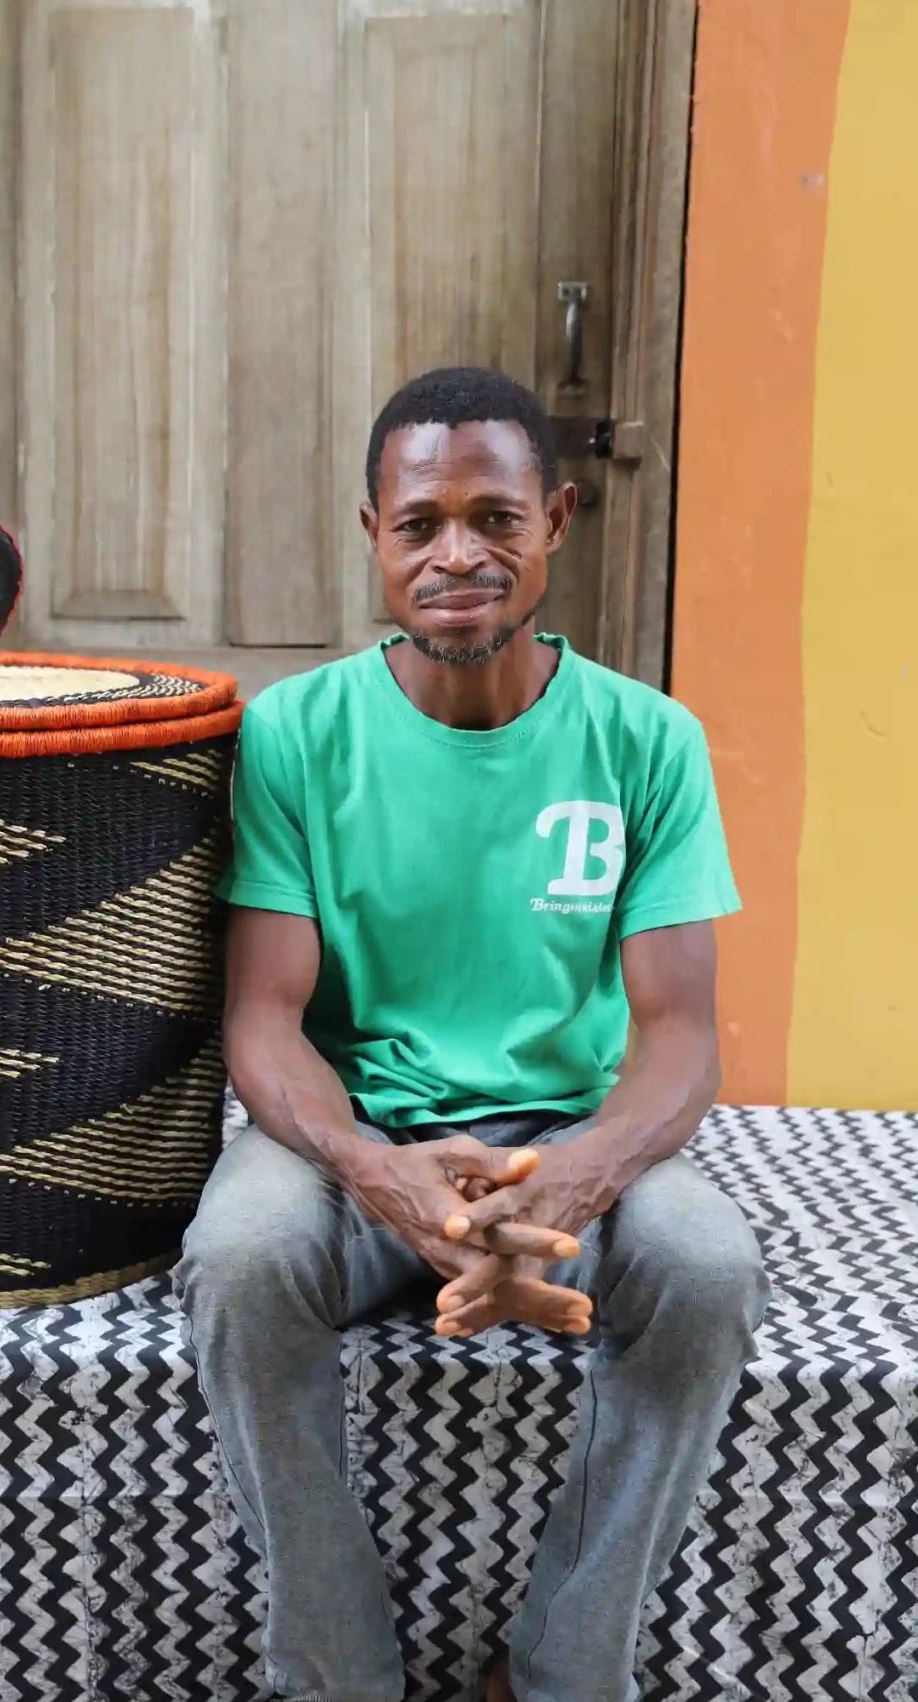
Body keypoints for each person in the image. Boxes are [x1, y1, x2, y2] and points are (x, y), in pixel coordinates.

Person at [174, 367, 769, 1702]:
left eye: (494, 517)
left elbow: (678, 1034)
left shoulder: (645, 741)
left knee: (710, 1264)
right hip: (361, 1135)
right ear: (371, 534)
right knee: (239, 1251)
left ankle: (562, 1671)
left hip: (565, 1138)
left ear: (555, 520)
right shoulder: (294, 735)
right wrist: (374, 1169)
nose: (458, 553)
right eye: (420, 520)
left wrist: (582, 1171)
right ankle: (339, 1675)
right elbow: (263, 1017)